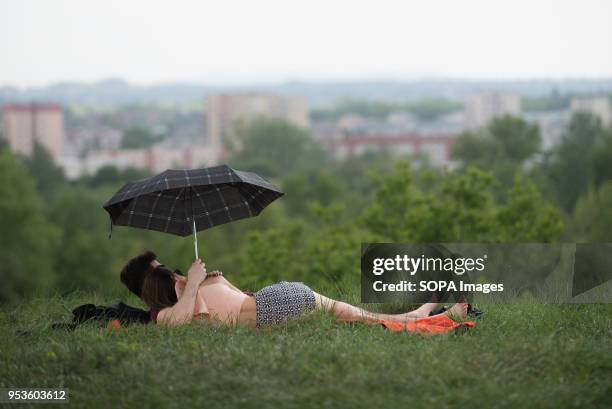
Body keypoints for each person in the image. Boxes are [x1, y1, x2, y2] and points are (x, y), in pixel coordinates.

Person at [120, 250, 467, 328]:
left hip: (277, 300)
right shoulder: (167, 314)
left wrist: (212, 279)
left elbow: (240, 299)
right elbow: (177, 322)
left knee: (364, 319)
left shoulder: (184, 295)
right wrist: (195, 281)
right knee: (363, 319)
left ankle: (424, 315)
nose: (174, 275)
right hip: (279, 303)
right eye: (164, 273)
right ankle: (424, 315)